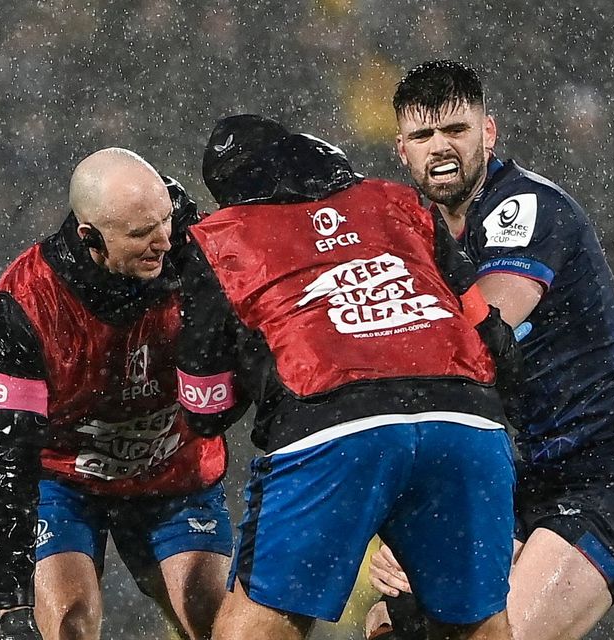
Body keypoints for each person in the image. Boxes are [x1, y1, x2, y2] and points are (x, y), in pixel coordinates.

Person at [365, 60, 614, 640]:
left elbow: (473, 339)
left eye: (456, 130)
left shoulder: (527, 207)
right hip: (517, 480)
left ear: (488, 132)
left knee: (505, 632)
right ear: (402, 150)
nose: (440, 148)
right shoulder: (413, 234)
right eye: (423, 136)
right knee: (390, 621)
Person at [176, 114, 524, 640]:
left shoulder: (218, 238)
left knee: (257, 626)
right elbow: (492, 336)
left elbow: (203, 408)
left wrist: (257, 373)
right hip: (466, 423)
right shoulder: (403, 204)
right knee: (478, 626)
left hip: (331, 428)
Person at [0, 148, 233, 640]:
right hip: (68, 484)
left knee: (213, 621)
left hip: (175, 475)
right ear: (89, 237)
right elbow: (6, 450)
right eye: (140, 235)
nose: (162, 242)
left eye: (165, 221)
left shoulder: (198, 253)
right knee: (68, 626)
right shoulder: (28, 301)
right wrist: (12, 606)